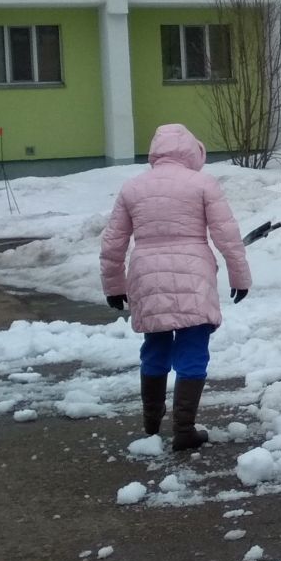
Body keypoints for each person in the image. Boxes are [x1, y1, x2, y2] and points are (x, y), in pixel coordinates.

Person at [99, 123, 251, 453]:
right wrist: (240, 277)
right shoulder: (202, 183)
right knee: (193, 346)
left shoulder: (132, 188)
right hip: (193, 273)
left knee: (155, 345)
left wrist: (113, 285)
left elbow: (113, 243)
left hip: (146, 275)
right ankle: (184, 428)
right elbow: (227, 236)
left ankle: (151, 426)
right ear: (192, 152)